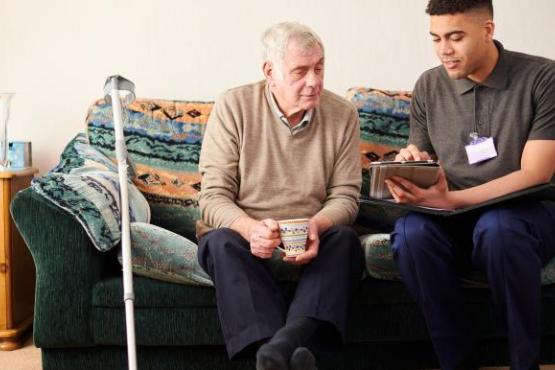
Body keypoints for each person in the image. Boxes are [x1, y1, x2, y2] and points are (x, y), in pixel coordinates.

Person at [387, 1, 555, 369]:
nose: (444, 49)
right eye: (435, 38)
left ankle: (524, 362)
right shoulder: (429, 85)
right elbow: (425, 158)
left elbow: (536, 173)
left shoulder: (544, 78)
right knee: (410, 234)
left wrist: (454, 200)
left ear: (488, 30)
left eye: (455, 37)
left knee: (500, 229)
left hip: (522, 214)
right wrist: (410, 165)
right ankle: (457, 362)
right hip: (452, 218)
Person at [197, 22, 365, 370]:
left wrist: (317, 225)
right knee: (219, 243)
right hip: (248, 238)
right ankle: (295, 352)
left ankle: (276, 352)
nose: (314, 81)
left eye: (319, 68)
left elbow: (347, 196)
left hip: (312, 238)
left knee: (345, 240)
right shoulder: (234, 106)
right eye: (301, 71)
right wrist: (250, 230)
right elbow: (213, 197)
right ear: (269, 72)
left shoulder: (343, 114)